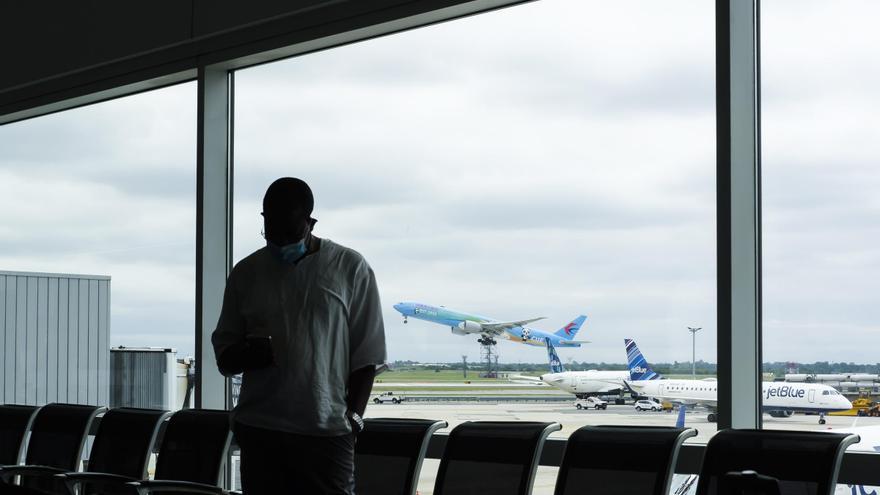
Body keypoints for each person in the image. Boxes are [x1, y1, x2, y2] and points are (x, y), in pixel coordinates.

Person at [212, 177, 386, 494]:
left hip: (326, 433)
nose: (278, 240)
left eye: (287, 231)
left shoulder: (350, 268)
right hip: (261, 430)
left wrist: (352, 422)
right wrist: (250, 354)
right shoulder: (246, 273)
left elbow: (367, 356)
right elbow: (225, 358)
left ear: (310, 222)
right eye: (270, 230)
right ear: (262, 219)